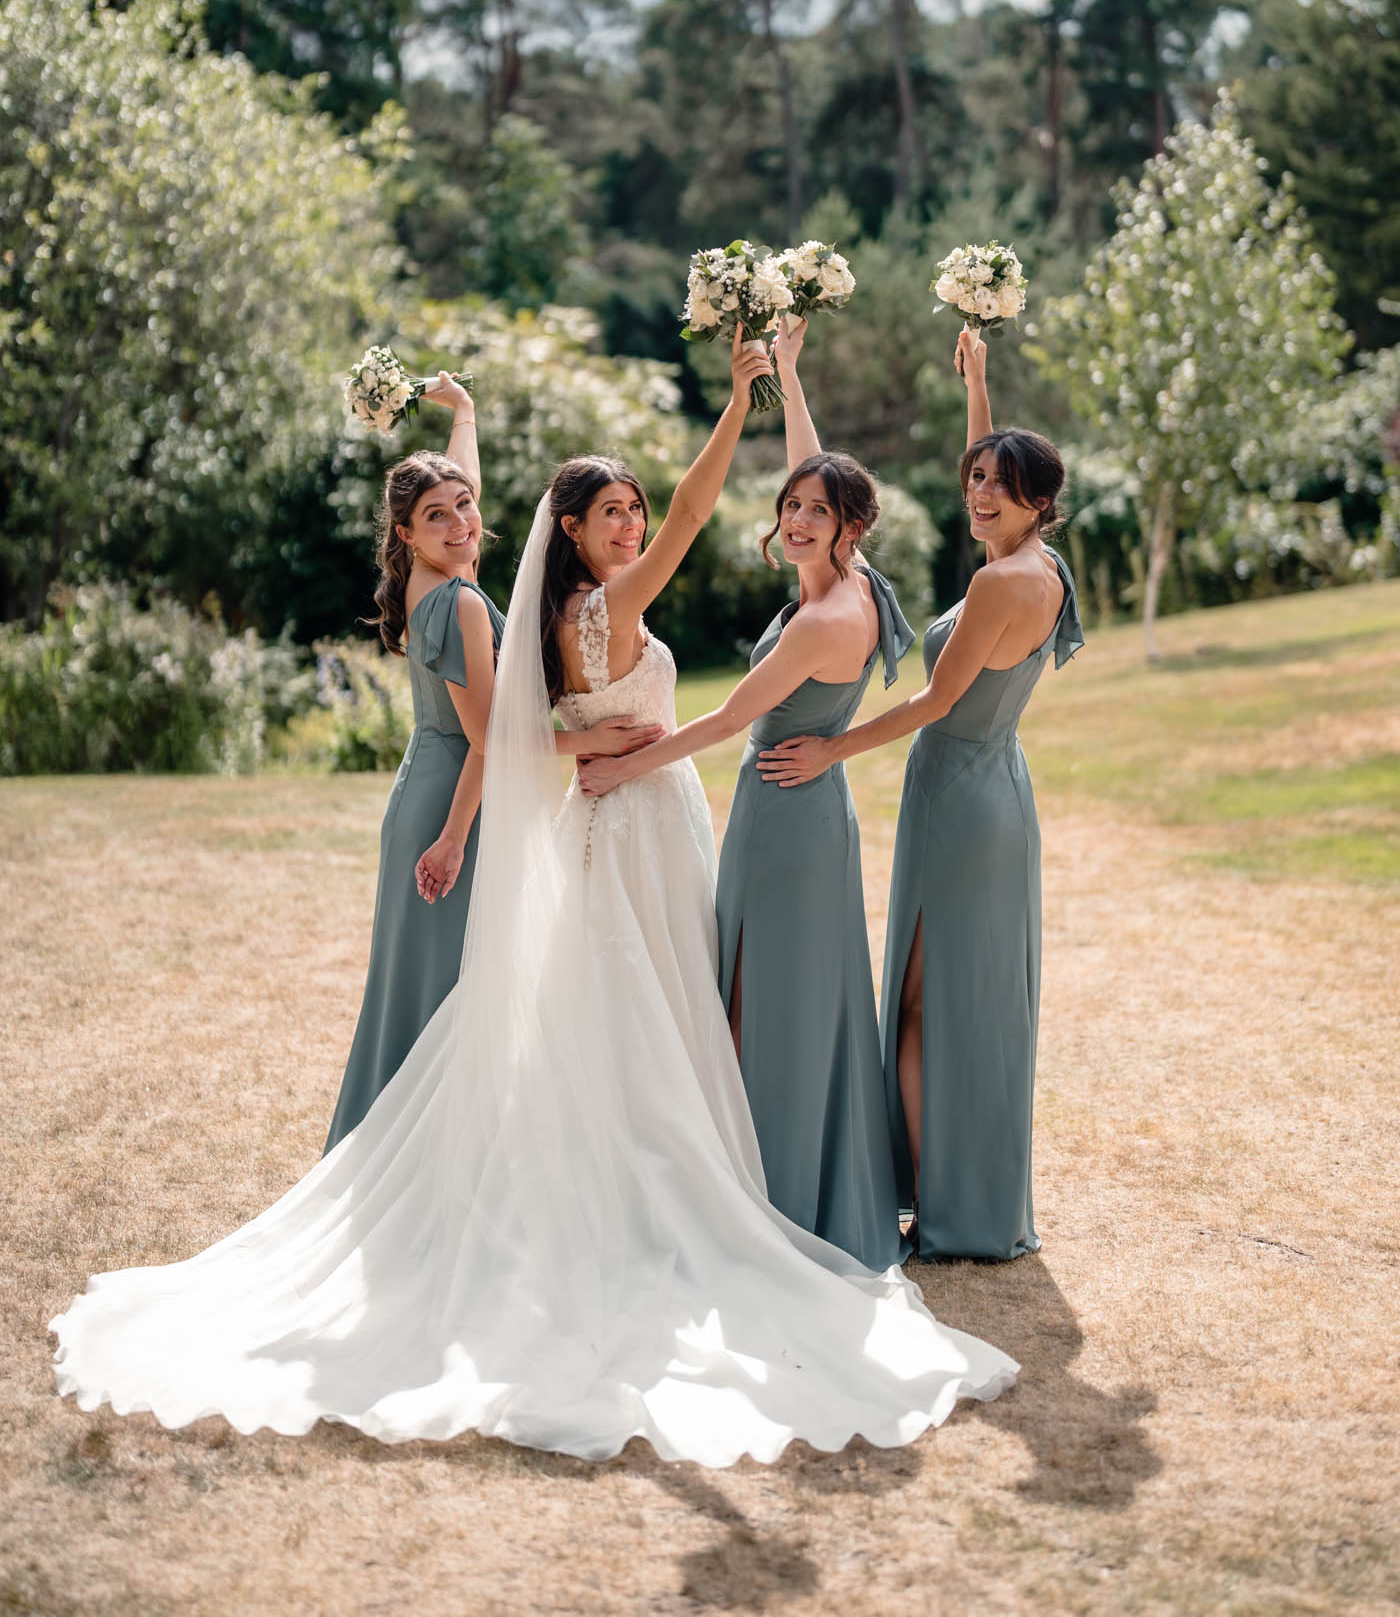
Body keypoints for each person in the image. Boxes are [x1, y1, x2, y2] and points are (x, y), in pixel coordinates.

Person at [51, 330, 1015, 1465]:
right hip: (626, 818)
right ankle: (648, 1185)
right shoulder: (592, 612)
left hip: (656, 817)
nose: (633, 528)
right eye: (611, 514)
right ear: (571, 532)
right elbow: (573, 666)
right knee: (636, 1005)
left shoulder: (578, 608)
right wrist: (736, 408)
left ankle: (703, 1162)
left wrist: (586, 721)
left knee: (672, 996)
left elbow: (566, 672)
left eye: (632, 513)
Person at [580, 315, 909, 1268]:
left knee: (781, 1000)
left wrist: (622, 766)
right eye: (792, 505)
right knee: (762, 988)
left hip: (788, 804)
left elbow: (728, 720)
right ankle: (756, 1176)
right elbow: (823, 467)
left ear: (849, 529)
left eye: (817, 512)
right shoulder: (845, 577)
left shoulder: (827, 615)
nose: (797, 518)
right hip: (789, 802)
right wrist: (790, 380)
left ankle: (786, 1198)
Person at [759, 328, 1083, 1261]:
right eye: (974, 477)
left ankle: (952, 1206)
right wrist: (979, 385)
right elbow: (999, 489)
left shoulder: (1001, 586)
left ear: (1038, 503)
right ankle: (944, 1187)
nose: (977, 493)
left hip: (960, 798)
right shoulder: (1037, 564)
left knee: (930, 1005)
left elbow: (937, 700)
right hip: (990, 786)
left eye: (995, 485)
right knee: (957, 998)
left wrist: (833, 750)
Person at [326, 377, 658, 1151]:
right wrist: (589, 744)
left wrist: (464, 414)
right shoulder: (463, 601)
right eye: (436, 517)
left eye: (465, 507)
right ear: (405, 534)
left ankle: (402, 1148)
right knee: (449, 989)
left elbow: (455, 497)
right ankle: (419, 1157)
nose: (461, 522)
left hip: (434, 786)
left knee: (426, 983)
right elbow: (491, 736)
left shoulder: (430, 583)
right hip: (454, 807)